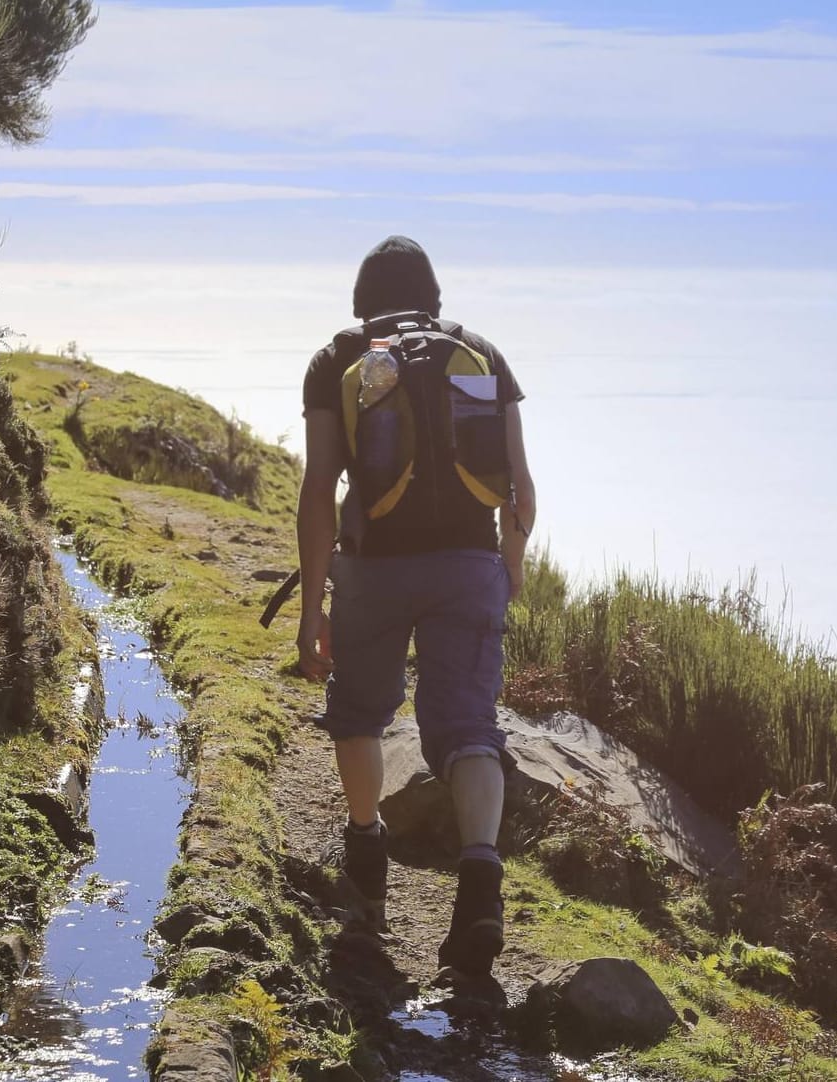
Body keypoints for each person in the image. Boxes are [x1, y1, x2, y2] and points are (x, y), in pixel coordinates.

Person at [295, 236, 537, 980]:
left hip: (375, 571)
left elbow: (319, 490)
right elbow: (520, 490)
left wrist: (313, 608)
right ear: (433, 297)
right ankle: (480, 882)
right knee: (469, 728)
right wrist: (511, 567)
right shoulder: (483, 355)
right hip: (469, 566)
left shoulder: (338, 358)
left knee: (360, 712)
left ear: (362, 300)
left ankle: (367, 856)